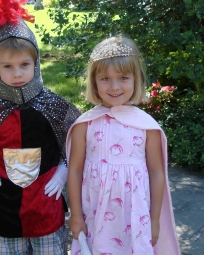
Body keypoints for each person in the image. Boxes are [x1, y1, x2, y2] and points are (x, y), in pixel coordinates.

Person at [0, 0, 80, 254]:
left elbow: (78, 135)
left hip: (46, 205)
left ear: (36, 63)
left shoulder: (54, 105)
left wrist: (63, 170)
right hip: (6, 208)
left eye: (24, 65)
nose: (17, 73)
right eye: (7, 66)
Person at [66, 36, 180, 254]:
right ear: (94, 81)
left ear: (136, 79)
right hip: (95, 215)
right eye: (105, 79)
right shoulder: (85, 124)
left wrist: (154, 220)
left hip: (134, 217)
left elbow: (157, 173)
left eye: (124, 77)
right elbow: (75, 171)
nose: (115, 86)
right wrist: (76, 215)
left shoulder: (147, 127)